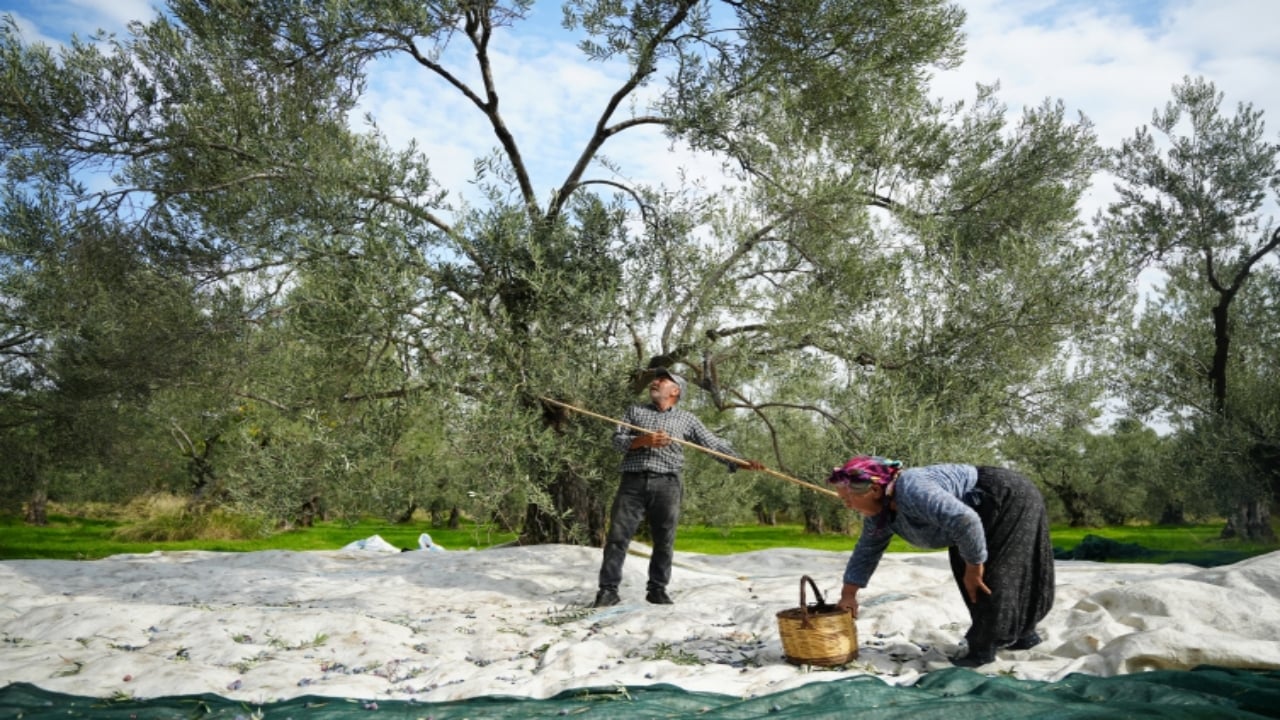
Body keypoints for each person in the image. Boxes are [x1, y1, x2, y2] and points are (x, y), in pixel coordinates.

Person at [827, 456, 1054, 667]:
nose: (847, 505)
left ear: (874, 490)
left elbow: (965, 520)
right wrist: (849, 595)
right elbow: (867, 550)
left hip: (1006, 497)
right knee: (967, 573)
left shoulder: (912, 489)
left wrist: (974, 567)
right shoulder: (880, 514)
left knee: (995, 574)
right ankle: (1019, 635)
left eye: (848, 499)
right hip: (971, 522)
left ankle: (983, 649)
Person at [593, 367, 763, 607]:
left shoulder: (687, 419)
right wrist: (643, 440)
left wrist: (740, 462)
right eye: (656, 379)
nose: (655, 382)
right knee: (617, 538)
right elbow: (617, 441)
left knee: (664, 539)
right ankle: (608, 591)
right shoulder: (634, 411)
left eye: (662, 380)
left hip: (668, 484)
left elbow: (712, 444)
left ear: (675, 390)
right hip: (633, 481)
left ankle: (657, 589)